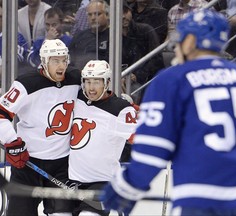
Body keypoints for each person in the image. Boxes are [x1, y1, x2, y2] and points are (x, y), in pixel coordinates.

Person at [100, 9, 236, 216]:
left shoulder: (172, 80)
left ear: (189, 41)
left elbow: (153, 150)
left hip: (199, 199)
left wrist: (126, 188)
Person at [0, 39, 81, 216]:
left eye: (64, 60)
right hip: (27, 165)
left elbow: (96, 99)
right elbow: (1, 114)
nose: (62, 65)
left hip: (62, 166)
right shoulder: (25, 84)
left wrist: (122, 105)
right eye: (55, 60)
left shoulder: (76, 79)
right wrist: (11, 141)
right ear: (44, 62)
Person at [68, 60, 137, 216]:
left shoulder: (120, 109)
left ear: (107, 82)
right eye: (88, 82)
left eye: (97, 82)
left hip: (103, 183)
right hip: (72, 182)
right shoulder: (77, 98)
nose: (91, 88)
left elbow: (142, 139)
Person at [69, 0, 109, 69]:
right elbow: (70, 61)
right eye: (90, 15)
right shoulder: (79, 36)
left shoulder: (114, 36)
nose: (93, 18)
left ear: (107, 15)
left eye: (97, 14)